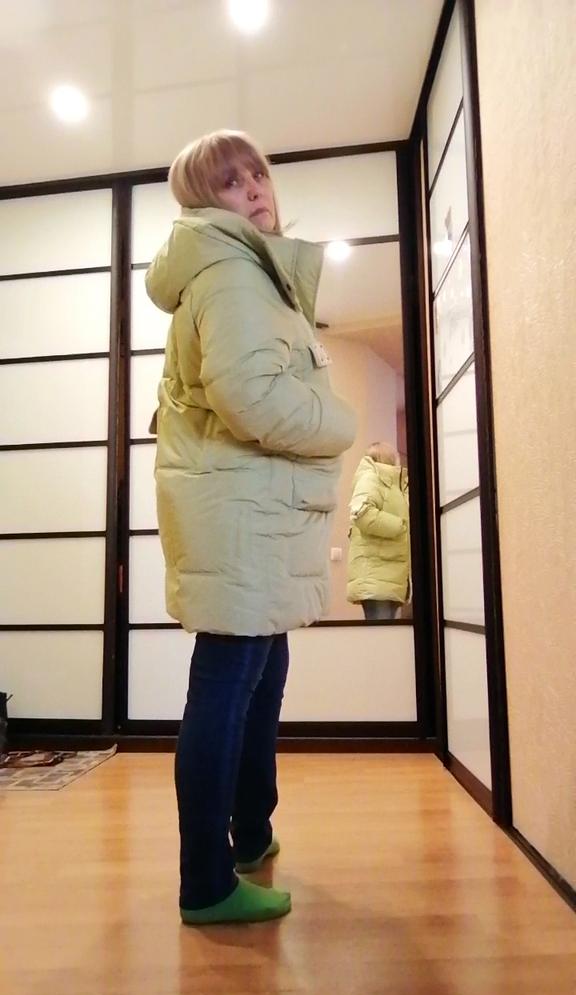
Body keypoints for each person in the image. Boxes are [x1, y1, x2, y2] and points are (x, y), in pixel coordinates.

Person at [145, 130, 356, 926]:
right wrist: (342, 424)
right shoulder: (232, 272)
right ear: (206, 203)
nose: (254, 188)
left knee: (258, 682)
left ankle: (251, 837)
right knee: (230, 686)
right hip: (241, 517)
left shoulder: (248, 271)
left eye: (256, 173)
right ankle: (206, 882)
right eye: (230, 183)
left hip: (250, 514)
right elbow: (250, 397)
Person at [346, 442, 410, 621]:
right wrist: (399, 526)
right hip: (376, 575)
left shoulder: (394, 483)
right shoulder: (371, 478)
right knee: (381, 632)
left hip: (389, 573)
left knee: (385, 632)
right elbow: (362, 513)